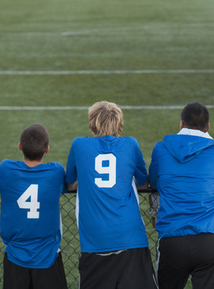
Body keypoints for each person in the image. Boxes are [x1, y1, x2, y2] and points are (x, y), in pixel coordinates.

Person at [65, 101, 157, 289]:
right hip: (131, 237)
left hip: (96, 241)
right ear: (119, 123)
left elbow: (70, 182)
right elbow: (142, 182)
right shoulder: (131, 144)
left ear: (92, 123)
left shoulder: (79, 144)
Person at [149, 102, 214, 289]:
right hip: (208, 238)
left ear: (181, 124)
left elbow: (155, 183)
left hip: (171, 238)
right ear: (208, 127)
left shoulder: (161, 149)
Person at [0, 123, 68, 289]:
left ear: (19, 146)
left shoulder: (6, 169)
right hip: (48, 257)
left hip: (15, 257)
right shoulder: (56, 172)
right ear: (47, 149)